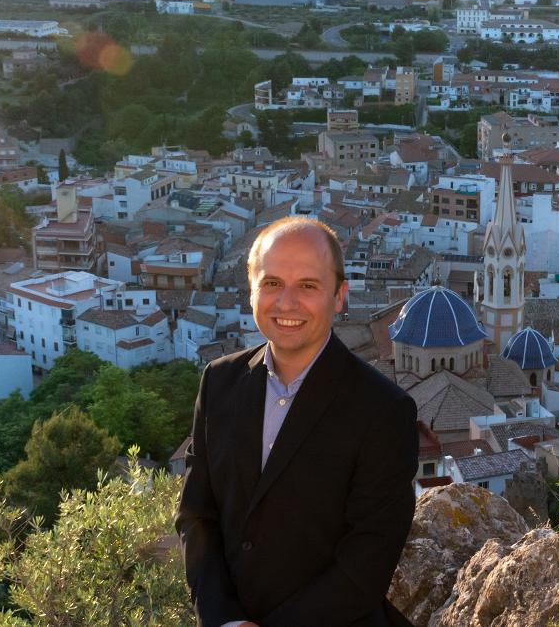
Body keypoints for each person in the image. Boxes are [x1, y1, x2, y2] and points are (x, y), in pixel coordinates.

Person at [176, 217, 418, 627]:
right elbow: (197, 515)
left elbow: (368, 560)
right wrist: (225, 619)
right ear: (252, 290)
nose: (286, 303)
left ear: (339, 296)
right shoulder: (219, 381)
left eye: (308, 285)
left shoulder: (383, 411)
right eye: (271, 283)